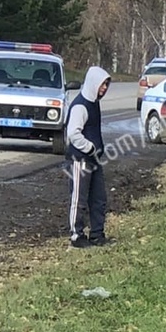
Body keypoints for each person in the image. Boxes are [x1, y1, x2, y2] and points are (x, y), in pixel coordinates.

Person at [65, 65, 112, 248]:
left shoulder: (94, 103)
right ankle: (76, 235)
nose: (104, 88)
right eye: (102, 85)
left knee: (99, 198)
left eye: (107, 85)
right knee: (79, 198)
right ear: (93, 83)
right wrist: (90, 147)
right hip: (80, 159)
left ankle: (97, 234)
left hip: (94, 159)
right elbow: (73, 134)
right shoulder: (80, 106)